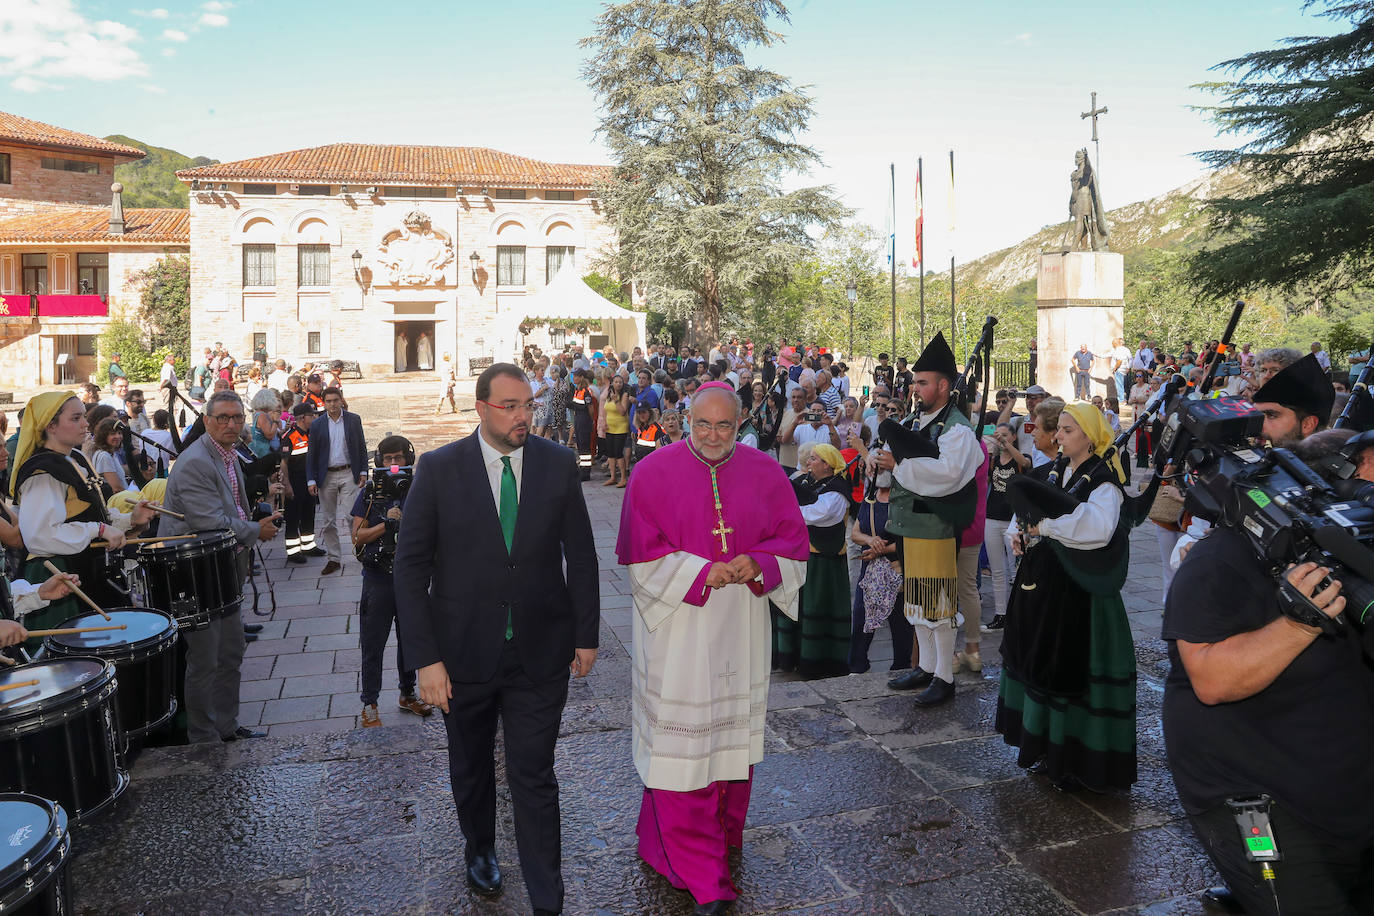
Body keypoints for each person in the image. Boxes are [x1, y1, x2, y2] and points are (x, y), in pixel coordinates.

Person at [394, 364, 598, 916]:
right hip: (461, 657)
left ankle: (547, 898)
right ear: (480, 407)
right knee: (472, 766)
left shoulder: (556, 464)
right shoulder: (438, 470)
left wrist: (586, 634)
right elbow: (409, 571)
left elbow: (579, 553)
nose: (522, 416)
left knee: (534, 773)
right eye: (509, 406)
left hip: (540, 650)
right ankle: (479, 846)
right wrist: (425, 659)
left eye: (527, 405)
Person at [616, 382, 808, 915]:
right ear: (686, 418)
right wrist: (702, 571)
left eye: (725, 426)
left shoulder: (766, 471)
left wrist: (761, 564)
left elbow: (791, 544)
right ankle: (704, 874)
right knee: (682, 754)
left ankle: (711, 841)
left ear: (741, 423)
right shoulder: (652, 472)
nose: (713, 436)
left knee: (728, 748)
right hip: (681, 628)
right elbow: (642, 559)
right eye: (703, 424)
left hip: (740, 625)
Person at [1163, 432, 1374, 909]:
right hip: (1260, 795)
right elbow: (1211, 679)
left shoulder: (1358, 546)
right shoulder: (1221, 559)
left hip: (1345, 792)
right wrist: (1299, 624)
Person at [997, 402, 1135, 792]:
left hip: (1081, 593)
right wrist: (1017, 534)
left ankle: (1078, 759)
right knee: (1041, 661)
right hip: (1045, 586)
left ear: (1089, 438)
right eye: (1058, 429)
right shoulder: (1053, 470)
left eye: (1068, 430)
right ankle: (1045, 748)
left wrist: (1044, 527)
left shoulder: (1104, 482)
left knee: (1070, 669)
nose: (1058, 436)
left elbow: (1098, 528)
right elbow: (1026, 508)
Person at [157, 390, 280, 743]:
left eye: (237, 418)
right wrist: (258, 530)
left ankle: (227, 727)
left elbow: (233, 510)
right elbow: (210, 522)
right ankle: (205, 739)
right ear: (207, 421)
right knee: (206, 660)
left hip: (221, 567)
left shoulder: (228, 453)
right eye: (223, 418)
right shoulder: (196, 460)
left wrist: (257, 517)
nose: (231, 424)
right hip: (195, 574)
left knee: (230, 652)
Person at [876, 332, 983, 707]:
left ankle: (944, 677)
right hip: (909, 524)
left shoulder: (956, 429)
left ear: (942, 385)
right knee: (917, 600)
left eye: (923, 382)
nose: (916, 388)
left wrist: (899, 464)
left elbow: (950, 475)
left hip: (935, 527)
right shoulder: (917, 419)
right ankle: (926, 667)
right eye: (915, 381)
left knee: (937, 603)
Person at [11, 392, 153, 641]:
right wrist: (96, 530)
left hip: (87, 570)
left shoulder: (75, 457)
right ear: (50, 426)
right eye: (75, 418)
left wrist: (130, 520)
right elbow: (40, 536)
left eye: (83, 417)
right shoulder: (42, 473)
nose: (85, 424)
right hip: (59, 578)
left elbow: (92, 512)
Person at [350, 435, 433, 727]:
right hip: (377, 579)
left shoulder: (418, 489)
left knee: (410, 640)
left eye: (399, 458)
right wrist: (387, 524)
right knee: (373, 644)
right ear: (379, 462)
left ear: (408, 460)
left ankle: (407, 693)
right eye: (388, 459)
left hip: (410, 579)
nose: (395, 465)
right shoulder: (371, 492)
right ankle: (370, 702)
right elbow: (357, 537)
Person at [776, 443, 852, 678]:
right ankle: (795, 657)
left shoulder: (837, 492)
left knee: (816, 609)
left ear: (827, 465)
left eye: (813, 459)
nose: (808, 463)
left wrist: (786, 511)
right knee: (799, 608)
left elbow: (819, 515)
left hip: (824, 564)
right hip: (803, 559)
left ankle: (819, 661)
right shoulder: (809, 483)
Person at [306, 387, 368, 576]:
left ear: (341, 400)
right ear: (323, 403)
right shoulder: (317, 425)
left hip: (349, 472)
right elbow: (312, 455)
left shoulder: (353, 419)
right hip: (327, 476)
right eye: (328, 401)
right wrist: (311, 480)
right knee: (328, 520)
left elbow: (361, 447)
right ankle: (334, 558)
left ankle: (360, 549)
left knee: (352, 516)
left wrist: (364, 471)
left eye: (335, 400)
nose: (332, 404)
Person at [601, 373, 631, 488]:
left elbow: (623, 411)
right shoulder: (609, 393)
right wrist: (603, 422)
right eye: (616, 382)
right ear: (612, 383)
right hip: (610, 426)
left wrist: (616, 401)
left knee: (618, 453)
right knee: (611, 453)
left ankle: (623, 478)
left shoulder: (624, 395)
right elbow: (605, 410)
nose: (618, 384)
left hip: (620, 427)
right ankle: (613, 477)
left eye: (620, 382)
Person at [90, 417, 126, 498]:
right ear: (103, 436)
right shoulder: (104, 456)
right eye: (112, 433)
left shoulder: (111, 454)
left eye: (119, 433)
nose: (117, 436)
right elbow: (116, 488)